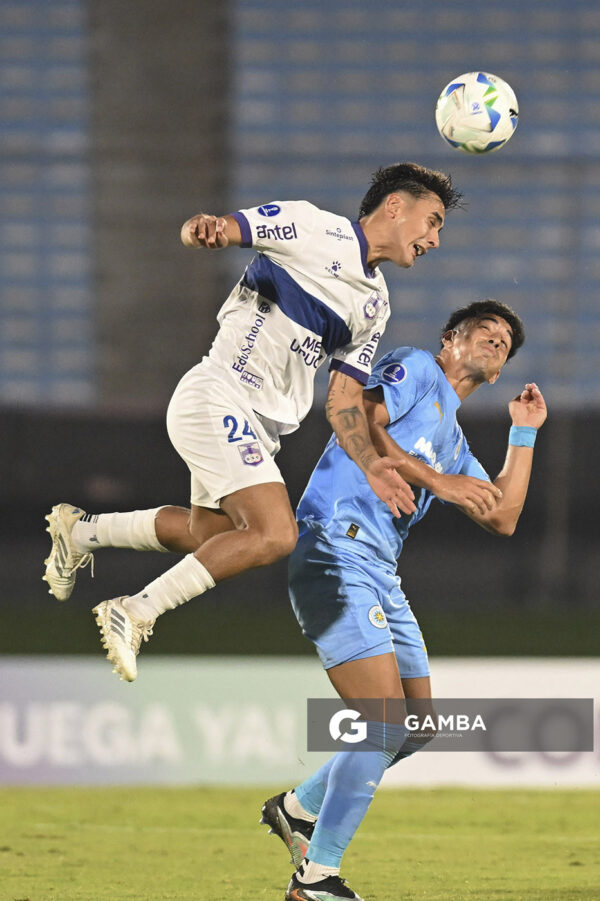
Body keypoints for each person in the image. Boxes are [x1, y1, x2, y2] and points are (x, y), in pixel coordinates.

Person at [43, 162, 462, 681]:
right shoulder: (312, 227)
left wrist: (372, 463)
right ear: (395, 205)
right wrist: (208, 229)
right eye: (433, 220)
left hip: (257, 428)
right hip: (218, 396)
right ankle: (133, 611)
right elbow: (225, 228)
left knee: (210, 534)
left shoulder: (374, 305)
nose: (435, 239)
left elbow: (344, 401)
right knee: (275, 533)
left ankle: (82, 532)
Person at [259, 299, 547, 901]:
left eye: (504, 345)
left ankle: (299, 806)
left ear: (499, 373)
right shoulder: (416, 368)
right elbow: (362, 416)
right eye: (484, 332)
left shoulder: (454, 439)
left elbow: (505, 516)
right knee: (383, 722)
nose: (496, 343)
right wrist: (437, 481)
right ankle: (316, 879)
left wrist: (523, 433)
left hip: (379, 571)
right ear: (451, 339)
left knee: (415, 727)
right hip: (335, 546)